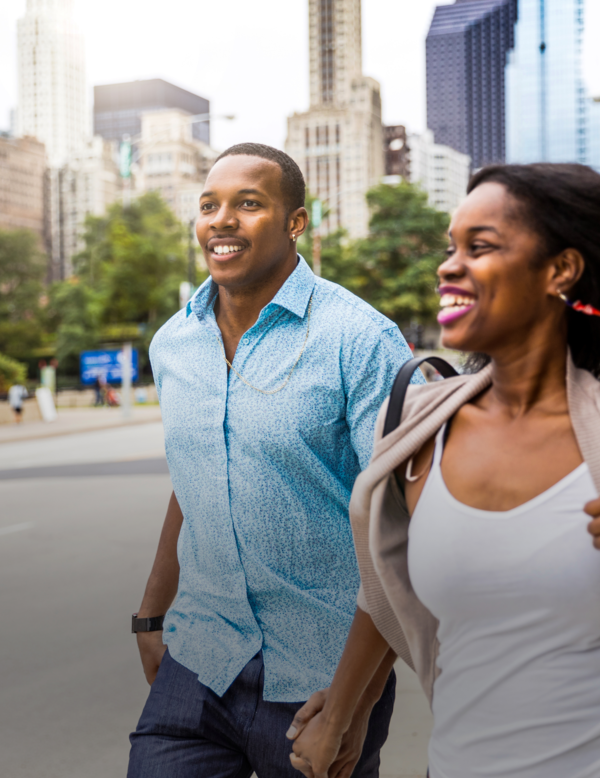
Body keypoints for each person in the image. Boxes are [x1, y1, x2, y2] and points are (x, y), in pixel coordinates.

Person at [289, 163, 600, 778]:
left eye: (479, 248)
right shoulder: (418, 424)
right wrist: (343, 711)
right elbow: (382, 589)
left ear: (560, 270)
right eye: (451, 247)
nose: (448, 266)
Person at [127, 143, 421, 778]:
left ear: (296, 222)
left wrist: (353, 704)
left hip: (323, 675)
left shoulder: (362, 340)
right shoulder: (173, 343)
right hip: (201, 658)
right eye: (209, 205)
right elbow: (200, 473)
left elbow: (402, 528)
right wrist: (152, 612)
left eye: (248, 204)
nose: (221, 219)